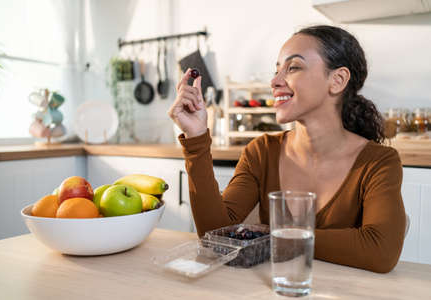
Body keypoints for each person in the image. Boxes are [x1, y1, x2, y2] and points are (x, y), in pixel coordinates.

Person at [168, 25, 406, 273]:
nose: (274, 81)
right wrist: (196, 140)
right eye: (277, 70)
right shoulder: (261, 151)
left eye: (293, 67)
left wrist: (277, 235)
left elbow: (381, 251)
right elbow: (214, 234)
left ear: (337, 80)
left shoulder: (378, 162)